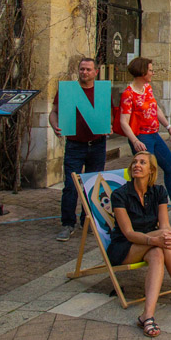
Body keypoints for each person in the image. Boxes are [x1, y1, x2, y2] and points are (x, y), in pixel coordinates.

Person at [107, 152, 171, 338]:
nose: (136, 165)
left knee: (158, 251)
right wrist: (157, 239)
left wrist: (167, 236)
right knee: (163, 240)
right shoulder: (119, 195)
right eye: (134, 162)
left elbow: (164, 224)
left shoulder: (159, 192)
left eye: (142, 163)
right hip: (124, 247)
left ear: (151, 170)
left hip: (152, 244)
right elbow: (129, 233)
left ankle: (147, 315)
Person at [119, 57, 171, 216]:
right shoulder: (128, 94)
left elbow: (156, 108)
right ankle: (143, 207)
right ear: (142, 72)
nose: (153, 73)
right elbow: (123, 122)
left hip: (154, 135)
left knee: (170, 166)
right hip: (141, 137)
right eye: (150, 70)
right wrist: (135, 140)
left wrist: (168, 127)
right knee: (146, 173)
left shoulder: (147, 88)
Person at [50, 57, 109, 241]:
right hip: (75, 145)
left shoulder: (101, 92)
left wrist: (111, 125)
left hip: (97, 144)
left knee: (93, 186)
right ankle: (68, 224)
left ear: (95, 72)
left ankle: (88, 221)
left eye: (88, 70)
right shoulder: (69, 91)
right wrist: (55, 126)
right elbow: (54, 112)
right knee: (70, 185)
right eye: (82, 69)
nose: (84, 72)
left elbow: (111, 114)